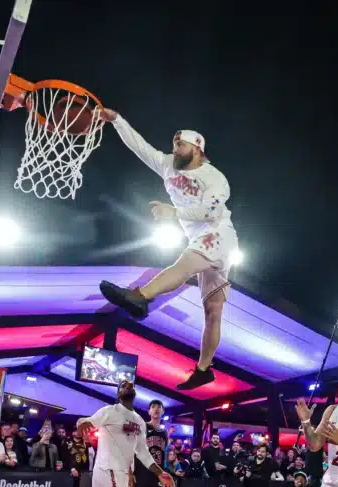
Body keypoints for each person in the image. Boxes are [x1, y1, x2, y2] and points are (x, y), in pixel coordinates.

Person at [96, 108, 239, 391]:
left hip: (218, 234)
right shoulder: (167, 165)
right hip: (199, 237)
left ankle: (140, 296)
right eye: (174, 144)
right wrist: (117, 121)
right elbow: (139, 147)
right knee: (213, 311)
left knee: (185, 264)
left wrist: (173, 212)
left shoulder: (214, 178)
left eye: (180, 145)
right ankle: (204, 369)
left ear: (197, 148)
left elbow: (211, 212)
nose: (175, 149)